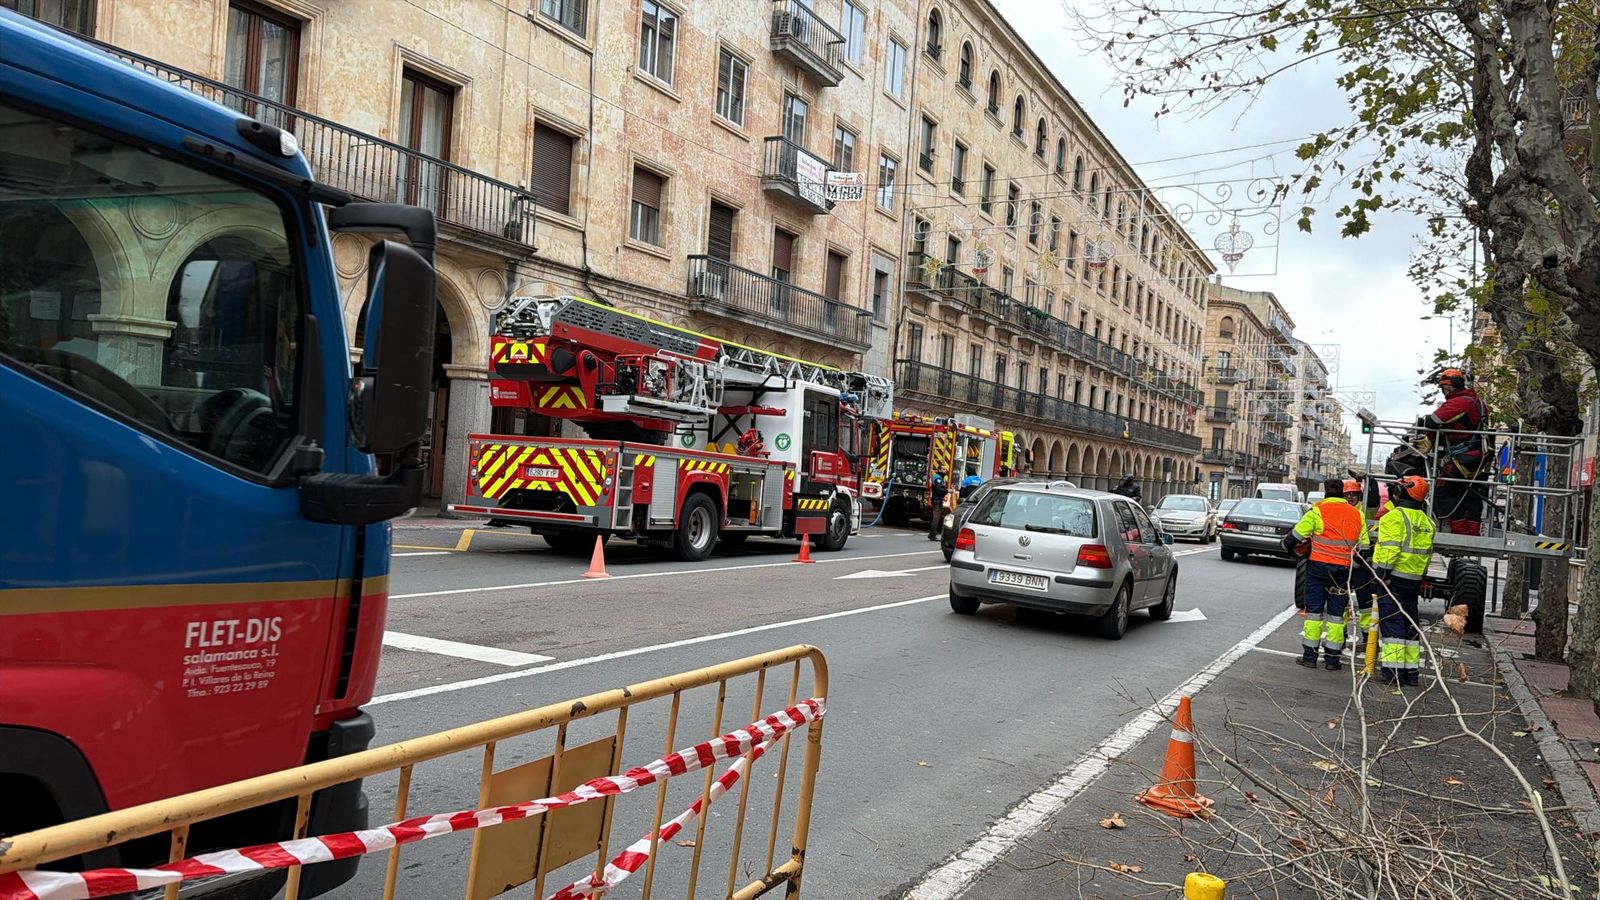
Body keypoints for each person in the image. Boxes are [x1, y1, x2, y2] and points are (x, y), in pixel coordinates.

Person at [1284, 476, 1371, 671]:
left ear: (1325, 492)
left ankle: (1309, 657)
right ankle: (1332, 660)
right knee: (1336, 615)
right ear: (1342, 493)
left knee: (1314, 613)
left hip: (1317, 570)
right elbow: (1364, 547)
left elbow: (1296, 536)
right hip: (1342, 572)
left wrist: (1287, 546)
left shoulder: (1317, 511)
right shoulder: (1356, 515)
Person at [1373, 475, 1435, 686]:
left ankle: (1392, 672)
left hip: (1394, 579)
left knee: (1393, 625)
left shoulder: (1394, 518)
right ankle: (1411, 673)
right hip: (1414, 579)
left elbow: (1391, 550)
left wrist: (1382, 575)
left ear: (1406, 491)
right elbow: (1427, 554)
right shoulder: (1427, 522)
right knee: (1410, 625)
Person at [1424, 368, 1489, 535]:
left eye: (1443, 388)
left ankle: (1458, 532)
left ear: (1448, 387)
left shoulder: (1460, 402)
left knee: (1443, 492)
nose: (1443, 392)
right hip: (1475, 457)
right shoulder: (1478, 402)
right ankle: (1471, 533)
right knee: (1469, 495)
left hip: (1463, 456)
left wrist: (1430, 439)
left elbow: (1433, 421)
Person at [1343, 478, 1377, 640]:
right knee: (1341, 601)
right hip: (1343, 563)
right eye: (1347, 494)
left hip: (1360, 563)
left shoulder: (1365, 511)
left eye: (1353, 495)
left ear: (1359, 496)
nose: (1350, 498)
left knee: (1365, 603)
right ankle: (1340, 633)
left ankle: (1367, 636)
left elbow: (1374, 499)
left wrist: (1371, 481)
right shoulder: (1340, 510)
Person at [928, 473, 949, 541]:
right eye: (943, 469)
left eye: (945, 469)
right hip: (937, 500)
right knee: (936, 518)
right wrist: (948, 491)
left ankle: (932, 534)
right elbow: (939, 490)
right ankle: (932, 534)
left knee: (936, 517)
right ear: (939, 470)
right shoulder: (938, 478)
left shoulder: (939, 478)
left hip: (937, 499)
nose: (944, 471)